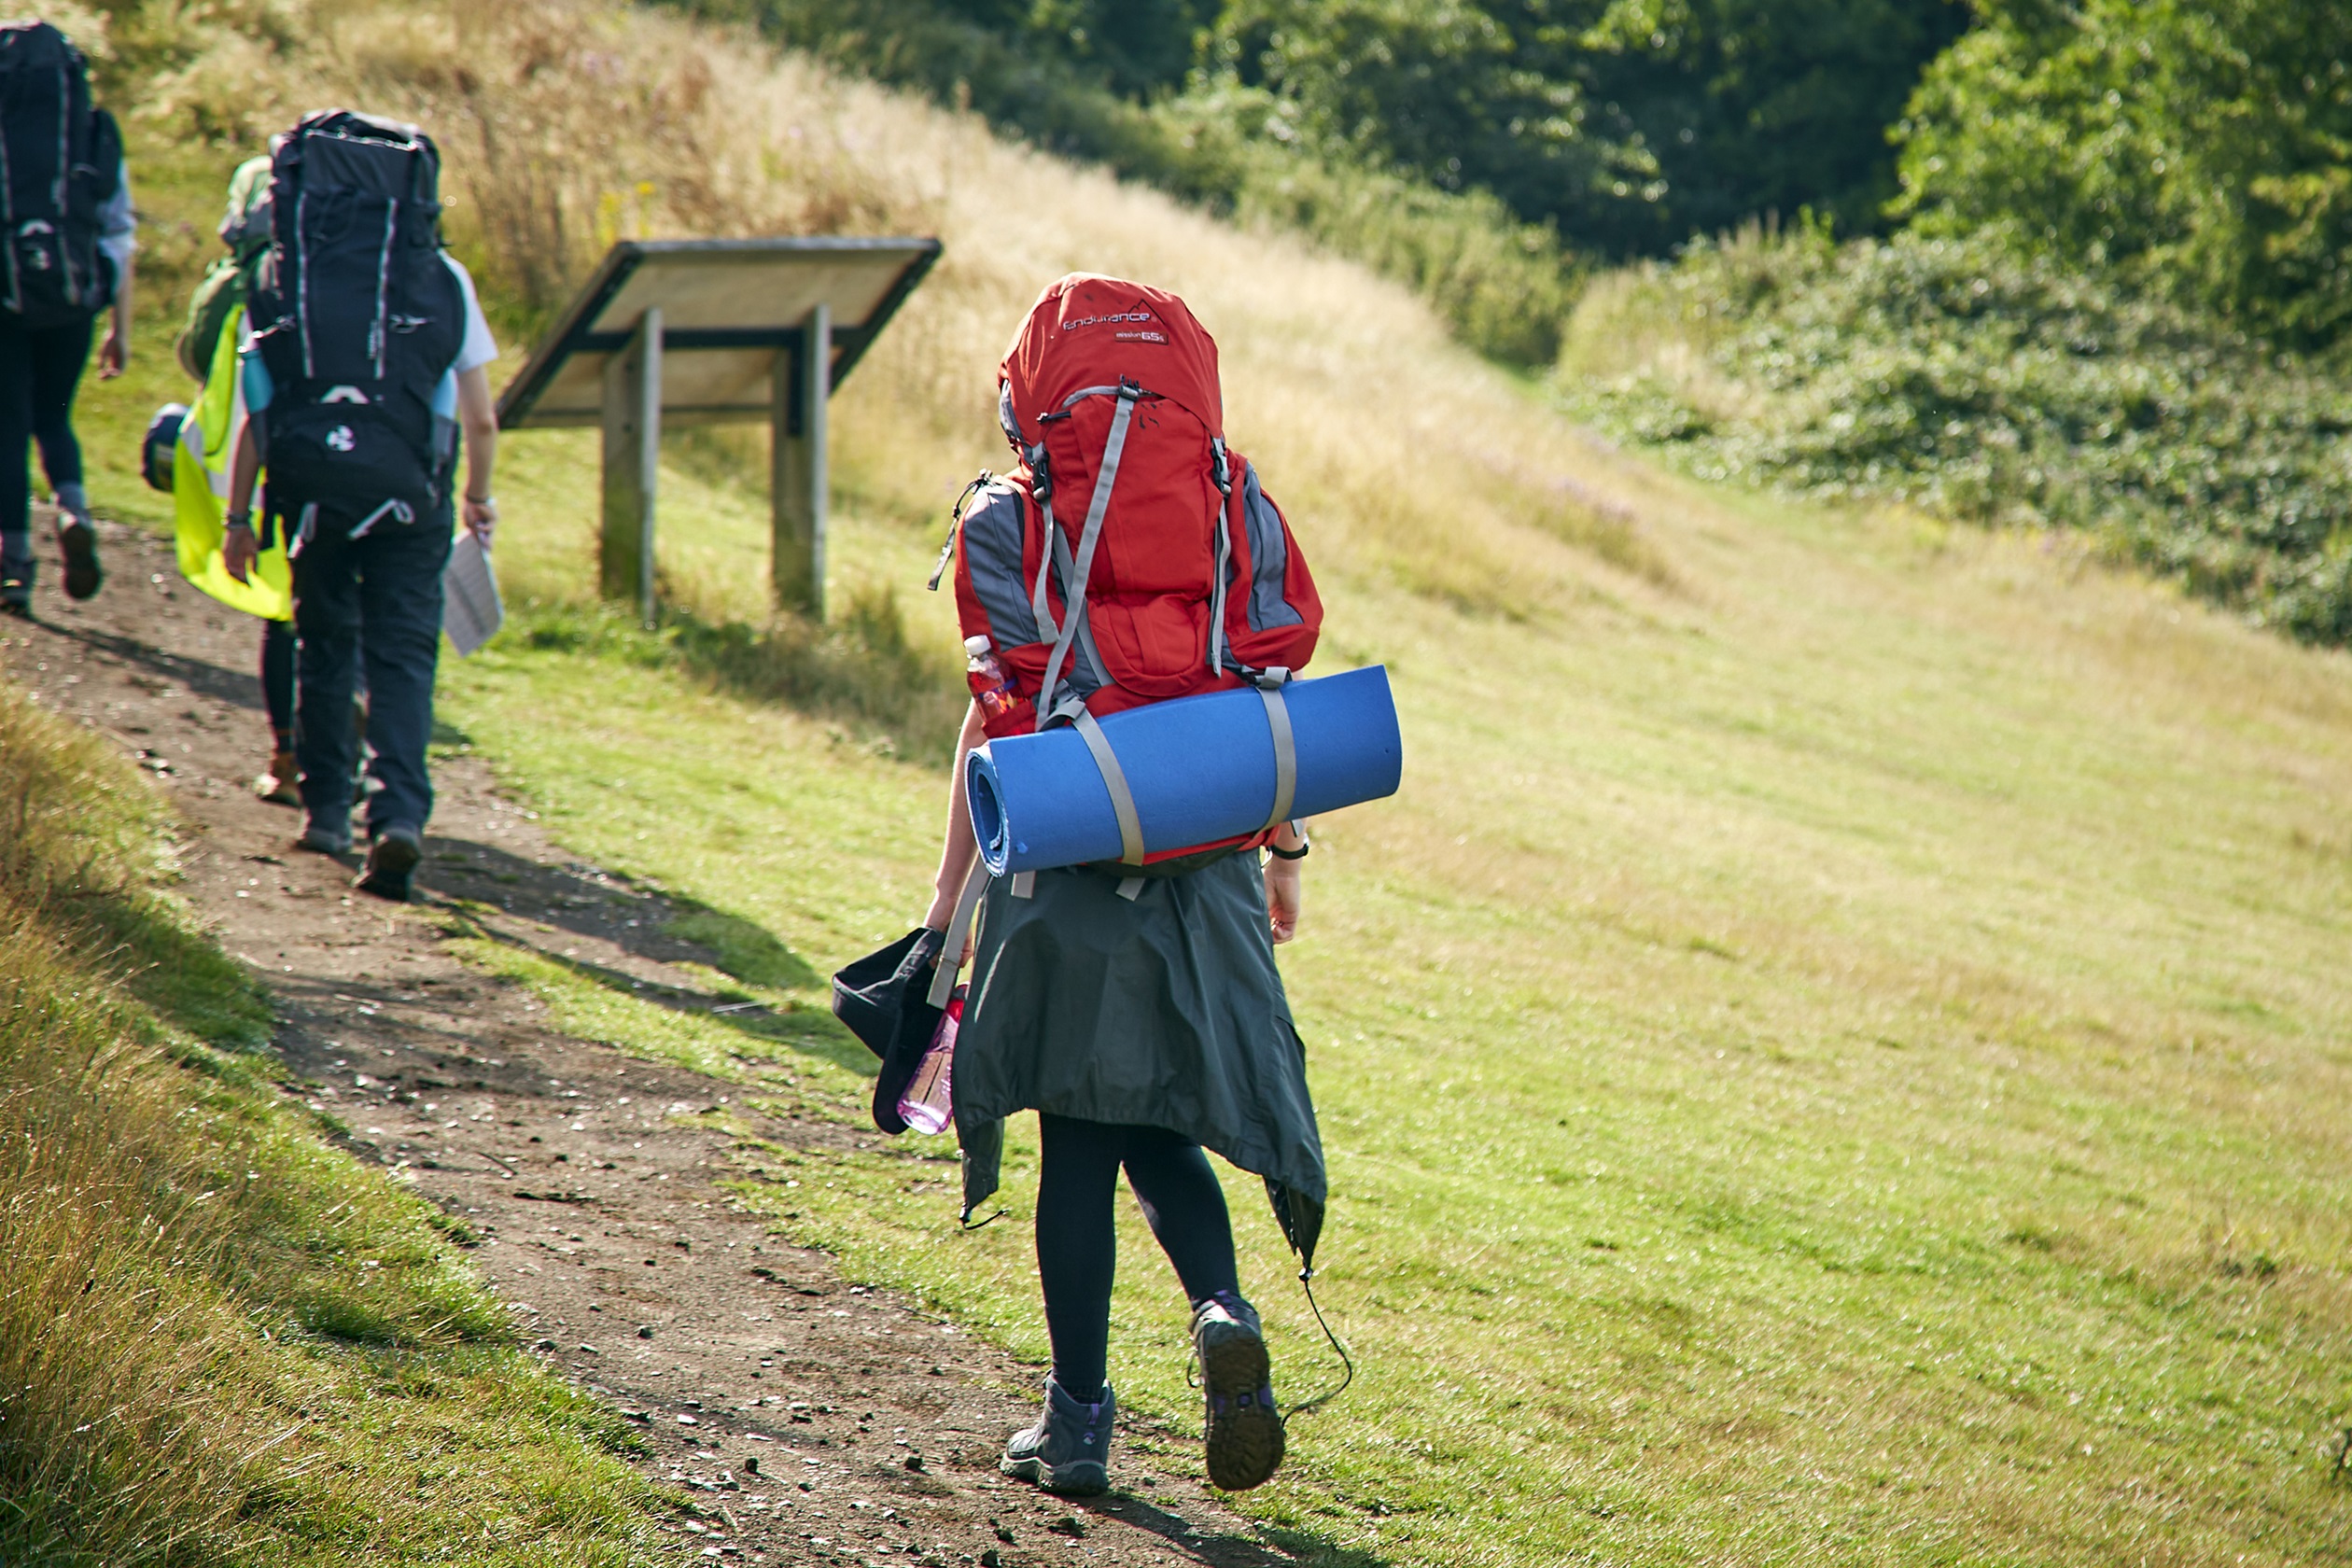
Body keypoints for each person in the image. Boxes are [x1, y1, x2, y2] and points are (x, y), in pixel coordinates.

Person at [928, 274, 1329, 1499]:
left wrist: (946, 916)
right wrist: (1285, 849)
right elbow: (1266, 682)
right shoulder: (1232, 503)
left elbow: (992, 729)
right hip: (1204, 855)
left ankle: (1078, 1425)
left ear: (1031, 401)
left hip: (1069, 864)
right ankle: (1217, 1307)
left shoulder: (1002, 525)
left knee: (1078, 1148)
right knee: (1156, 1124)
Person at [223, 112, 498, 902]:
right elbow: (480, 416)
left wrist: (240, 519)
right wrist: (477, 496)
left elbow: (258, 411)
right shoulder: (443, 278)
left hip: (312, 492)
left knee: (324, 641)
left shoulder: (282, 272)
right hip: (412, 501)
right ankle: (399, 818)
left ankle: (326, 813)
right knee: (403, 657)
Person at [0, 21, 133, 616]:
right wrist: (121, 329)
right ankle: (74, 510)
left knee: (6, 428)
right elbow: (119, 234)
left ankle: (16, 565)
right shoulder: (93, 129)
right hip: (73, 297)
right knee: (55, 417)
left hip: (5, 300)